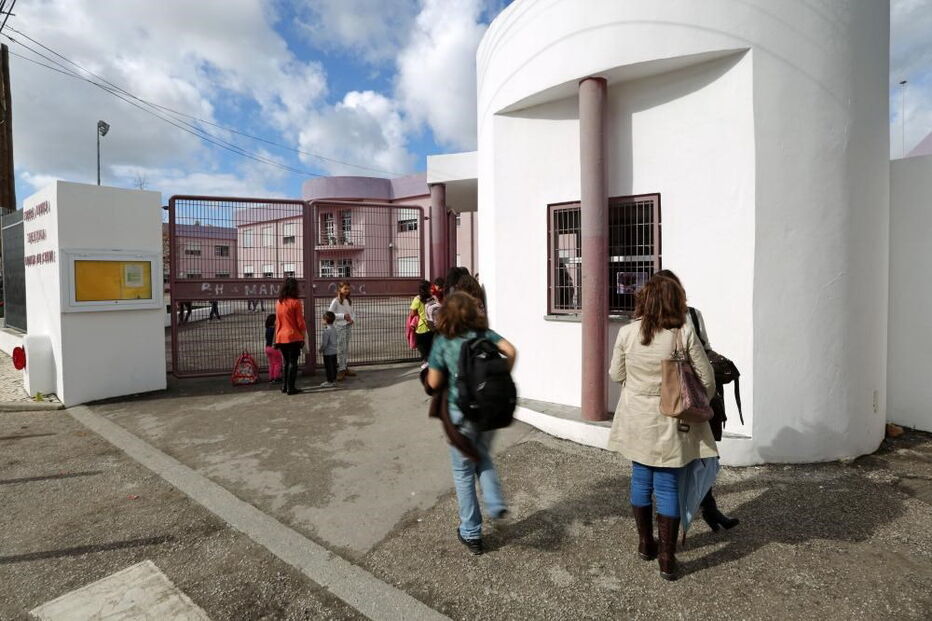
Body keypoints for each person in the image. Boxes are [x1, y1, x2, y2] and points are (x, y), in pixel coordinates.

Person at [606, 275, 717, 581]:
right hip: (672, 419)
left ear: (645, 300)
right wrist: (689, 402)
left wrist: (639, 388)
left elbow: (616, 373)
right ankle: (667, 559)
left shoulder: (628, 333)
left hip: (636, 418)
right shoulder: (682, 333)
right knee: (668, 484)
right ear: (675, 300)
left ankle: (645, 543)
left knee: (640, 478)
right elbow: (707, 381)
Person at [426, 292, 517, 556]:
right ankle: (496, 502)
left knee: (463, 471)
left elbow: (432, 383)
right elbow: (511, 351)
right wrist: (497, 376)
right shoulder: (484, 334)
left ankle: (471, 532)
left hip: (460, 414)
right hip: (488, 411)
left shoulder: (443, 341)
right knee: (483, 456)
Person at [653, 269, 739, 532]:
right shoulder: (648, 321)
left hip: (696, 397)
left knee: (703, 456)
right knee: (670, 462)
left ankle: (709, 509)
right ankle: (668, 521)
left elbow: (705, 348)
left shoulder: (692, 314)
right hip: (667, 400)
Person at [275, 277, 307, 395]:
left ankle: (284, 386)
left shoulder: (279, 302)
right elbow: (300, 322)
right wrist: (303, 336)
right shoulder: (296, 302)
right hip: (293, 336)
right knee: (293, 362)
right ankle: (291, 388)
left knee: (286, 362)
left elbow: (277, 321)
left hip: (281, 336)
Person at [328, 281, 356, 381]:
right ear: (340, 289)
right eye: (345, 289)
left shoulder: (347, 301)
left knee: (346, 348)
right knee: (341, 348)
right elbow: (330, 314)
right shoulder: (335, 301)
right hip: (339, 327)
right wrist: (342, 316)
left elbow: (352, 312)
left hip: (348, 326)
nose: (347, 291)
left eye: (348, 289)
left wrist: (352, 319)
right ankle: (341, 369)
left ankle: (344, 367)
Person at [409, 280, 436, 361]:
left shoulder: (417, 299)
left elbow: (412, 313)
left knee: (422, 348)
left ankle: (426, 363)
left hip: (421, 327)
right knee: (430, 348)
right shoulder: (433, 298)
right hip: (432, 327)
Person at [319, 311, 338, 387]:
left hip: (328, 352)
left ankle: (329, 381)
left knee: (328, 367)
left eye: (322, 319)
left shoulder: (326, 331)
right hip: (334, 351)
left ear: (326, 320)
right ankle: (333, 380)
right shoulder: (334, 328)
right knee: (333, 366)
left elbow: (324, 344)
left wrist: (321, 349)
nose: (321, 320)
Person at [264, 314, 283, 384]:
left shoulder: (267, 329)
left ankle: (271, 377)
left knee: (271, 363)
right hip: (274, 348)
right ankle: (276, 377)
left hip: (267, 348)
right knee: (278, 363)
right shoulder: (274, 330)